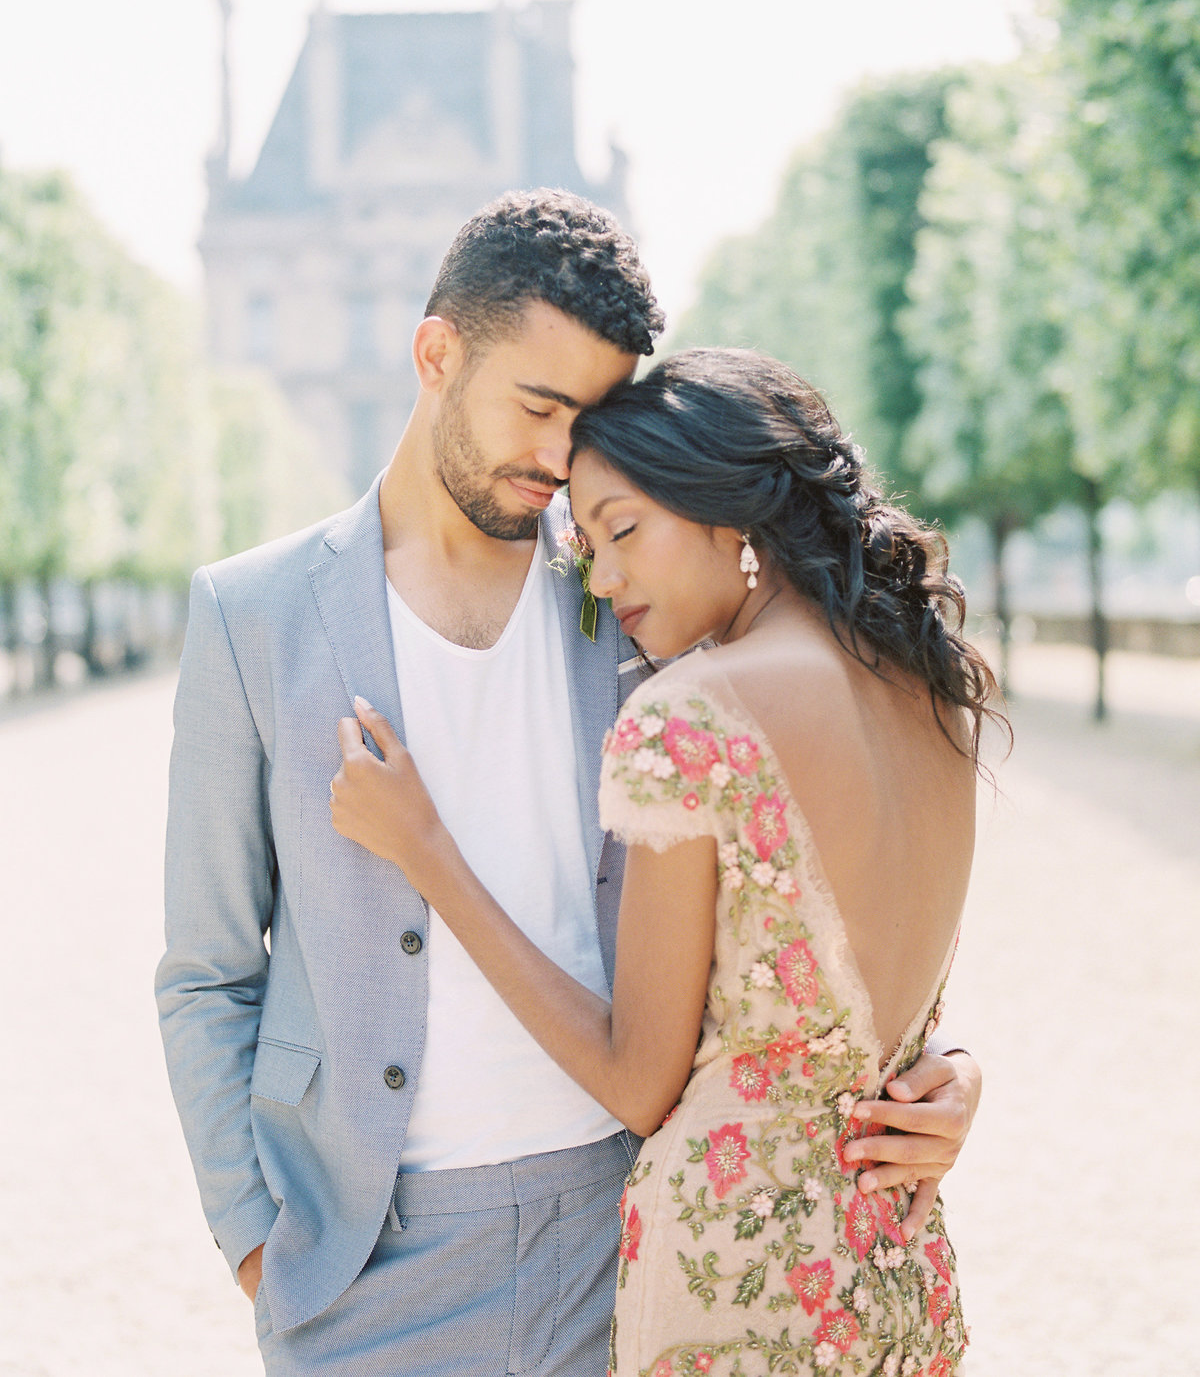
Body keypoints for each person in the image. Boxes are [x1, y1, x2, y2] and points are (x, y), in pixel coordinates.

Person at [157, 192, 980, 1377]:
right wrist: (258, 1243)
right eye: (539, 406)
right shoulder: (254, 615)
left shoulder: (641, 597)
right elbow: (208, 969)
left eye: (587, 420)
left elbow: (809, 875)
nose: (558, 455)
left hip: (626, 1231)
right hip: (365, 1265)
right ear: (436, 352)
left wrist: (937, 1069)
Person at [330, 347, 998, 1376]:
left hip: (738, 1288)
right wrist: (956, 1072)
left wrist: (427, 851)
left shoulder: (693, 713)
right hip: (898, 1277)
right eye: (587, 544)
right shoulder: (936, 692)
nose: (602, 579)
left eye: (623, 530)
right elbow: (870, 995)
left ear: (732, 512)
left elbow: (639, 1081)